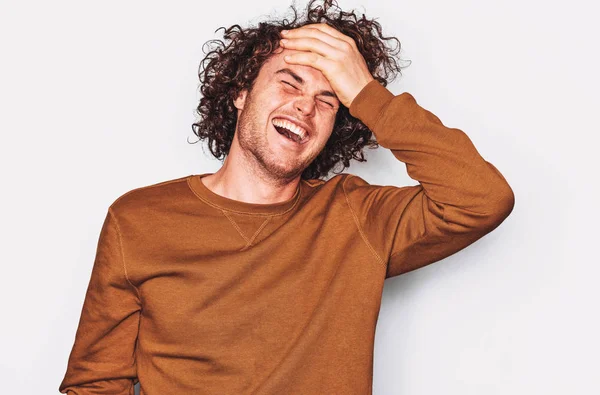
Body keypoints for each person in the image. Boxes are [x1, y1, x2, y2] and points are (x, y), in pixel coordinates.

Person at [58, 0, 515, 394]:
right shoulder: (138, 219)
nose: (304, 106)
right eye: (289, 83)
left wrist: (366, 93)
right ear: (241, 92)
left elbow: (482, 199)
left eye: (328, 100)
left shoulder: (358, 217)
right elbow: (95, 382)